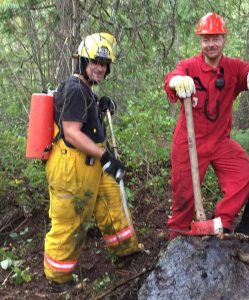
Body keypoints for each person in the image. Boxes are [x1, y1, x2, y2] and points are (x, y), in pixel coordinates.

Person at [164, 13, 249, 240]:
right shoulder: (189, 66)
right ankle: (177, 241)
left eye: (216, 38)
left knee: (243, 177)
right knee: (184, 197)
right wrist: (175, 81)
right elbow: (172, 78)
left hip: (220, 141)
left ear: (224, 40)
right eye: (206, 39)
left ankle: (220, 224)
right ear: (200, 41)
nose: (211, 44)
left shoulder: (232, 68)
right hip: (189, 142)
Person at [44, 32, 140, 288]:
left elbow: (87, 123)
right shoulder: (75, 89)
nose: (99, 68)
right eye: (95, 62)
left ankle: (125, 253)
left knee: (111, 203)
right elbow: (73, 133)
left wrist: (100, 106)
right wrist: (105, 156)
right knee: (70, 222)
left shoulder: (85, 90)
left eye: (104, 64)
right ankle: (57, 278)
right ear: (83, 62)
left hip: (91, 164)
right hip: (72, 166)